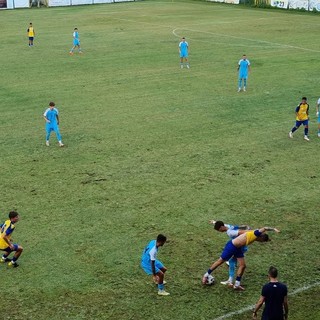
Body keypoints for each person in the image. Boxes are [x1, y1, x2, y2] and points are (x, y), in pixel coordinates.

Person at [202, 226, 280, 290]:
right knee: (220, 261)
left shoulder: (257, 237)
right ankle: (206, 275)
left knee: (243, 266)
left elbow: (264, 236)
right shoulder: (256, 233)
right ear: (260, 238)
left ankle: (237, 284)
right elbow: (265, 228)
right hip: (231, 247)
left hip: (238, 248)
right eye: (262, 241)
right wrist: (274, 229)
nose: (260, 242)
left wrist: (268, 239)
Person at [209, 220, 250, 287]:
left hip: (240, 247)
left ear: (222, 227)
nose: (220, 231)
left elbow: (242, 233)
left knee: (233, 262)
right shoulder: (228, 226)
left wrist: (254, 232)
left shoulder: (230, 232)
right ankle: (231, 281)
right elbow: (225, 224)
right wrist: (214, 222)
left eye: (219, 230)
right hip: (240, 246)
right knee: (232, 261)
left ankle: (231, 281)